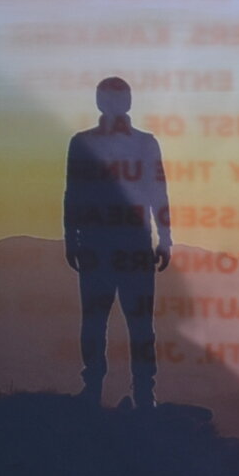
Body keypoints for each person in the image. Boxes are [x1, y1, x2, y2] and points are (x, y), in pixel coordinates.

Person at [64, 76, 173, 410]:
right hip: (101, 244)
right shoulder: (83, 143)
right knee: (97, 321)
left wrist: (165, 237)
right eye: (109, 98)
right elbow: (73, 194)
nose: (114, 104)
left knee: (138, 324)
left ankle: (143, 393)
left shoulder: (144, 143)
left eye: (118, 98)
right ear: (100, 103)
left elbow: (158, 192)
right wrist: (71, 237)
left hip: (131, 245)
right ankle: (99, 389)